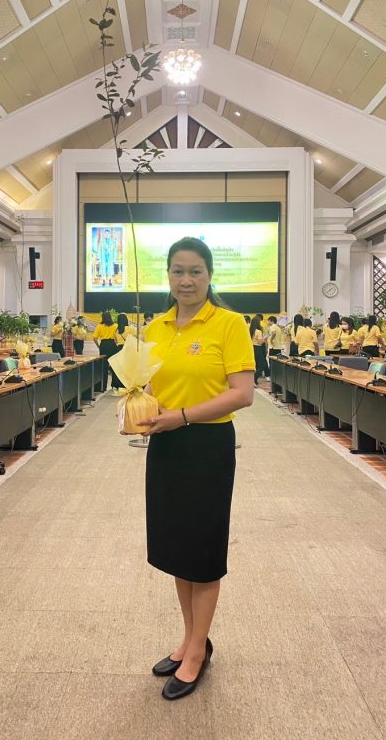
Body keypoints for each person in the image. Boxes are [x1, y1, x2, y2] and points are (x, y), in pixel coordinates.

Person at [138, 236, 254, 701]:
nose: (186, 280)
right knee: (176, 549)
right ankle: (191, 640)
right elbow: (149, 386)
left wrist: (182, 416)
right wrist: (139, 408)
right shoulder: (156, 327)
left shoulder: (229, 323)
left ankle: (197, 654)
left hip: (206, 446)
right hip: (166, 446)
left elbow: (242, 393)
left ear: (209, 275)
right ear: (167, 275)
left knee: (202, 553)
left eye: (195, 272)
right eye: (178, 271)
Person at [92, 311, 118, 391]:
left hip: (103, 345)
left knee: (103, 367)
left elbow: (94, 338)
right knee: (114, 366)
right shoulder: (115, 325)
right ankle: (115, 385)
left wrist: (99, 346)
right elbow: (117, 337)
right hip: (112, 345)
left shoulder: (99, 326)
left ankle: (103, 387)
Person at [249, 314, 269, 383]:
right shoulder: (258, 331)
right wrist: (265, 337)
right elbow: (260, 342)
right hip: (258, 348)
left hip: (252, 348)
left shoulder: (250, 330)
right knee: (262, 365)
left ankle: (254, 379)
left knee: (256, 365)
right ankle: (255, 377)